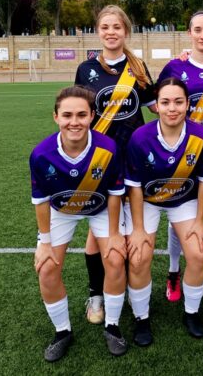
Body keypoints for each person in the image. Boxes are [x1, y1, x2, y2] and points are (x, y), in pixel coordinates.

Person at [30, 86, 128, 361]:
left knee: (115, 258)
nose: (75, 122)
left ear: (92, 116)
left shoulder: (108, 148)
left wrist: (113, 235)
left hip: (99, 208)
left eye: (82, 115)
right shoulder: (41, 154)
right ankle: (63, 332)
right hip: (62, 211)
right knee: (47, 268)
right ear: (56, 117)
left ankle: (112, 326)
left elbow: (114, 196)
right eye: (67, 115)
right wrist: (44, 243)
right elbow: (41, 201)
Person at [74, 5, 155, 326]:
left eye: (117, 27)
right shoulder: (85, 69)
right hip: (100, 160)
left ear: (126, 32)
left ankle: (138, 296)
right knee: (98, 232)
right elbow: (80, 113)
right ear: (98, 31)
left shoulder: (137, 67)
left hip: (134, 159)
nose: (111, 32)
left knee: (136, 229)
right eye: (105, 26)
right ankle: (96, 293)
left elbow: (156, 108)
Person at [124, 78, 203, 342]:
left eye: (178, 102)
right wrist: (139, 229)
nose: (172, 108)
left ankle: (191, 312)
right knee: (139, 255)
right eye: (165, 102)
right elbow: (135, 187)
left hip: (183, 199)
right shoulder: (140, 137)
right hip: (148, 201)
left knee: (199, 253)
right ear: (157, 106)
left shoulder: (200, 135)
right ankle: (141, 318)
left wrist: (200, 220)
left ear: (188, 104)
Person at [157, 11, 203, 303]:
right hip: (181, 151)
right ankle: (174, 271)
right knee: (180, 213)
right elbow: (158, 103)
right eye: (197, 30)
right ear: (189, 33)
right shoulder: (176, 66)